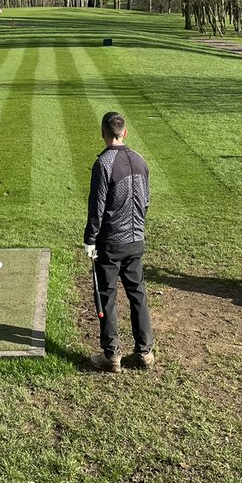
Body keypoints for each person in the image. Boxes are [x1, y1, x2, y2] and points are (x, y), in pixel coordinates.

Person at [84, 111, 154, 372]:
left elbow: (97, 207)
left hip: (111, 242)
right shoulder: (139, 159)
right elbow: (146, 201)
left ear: (103, 133)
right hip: (136, 240)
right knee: (138, 294)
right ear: (125, 132)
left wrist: (90, 239)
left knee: (107, 296)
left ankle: (112, 355)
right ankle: (145, 352)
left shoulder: (103, 164)